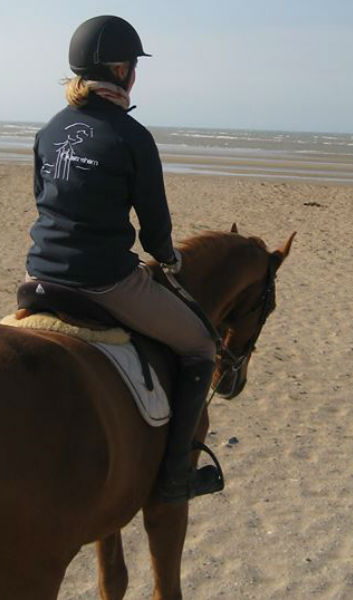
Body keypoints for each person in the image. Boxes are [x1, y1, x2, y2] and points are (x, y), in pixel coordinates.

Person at [25, 15, 223, 503]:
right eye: (132, 65)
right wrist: (166, 256)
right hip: (103, 282)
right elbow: (155, 227)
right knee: (202, 345)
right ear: (119, 70)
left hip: (39, 274)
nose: (134, 74)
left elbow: (43, 199)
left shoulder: (49, 131)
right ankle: (176, 475)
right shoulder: (131, 137)